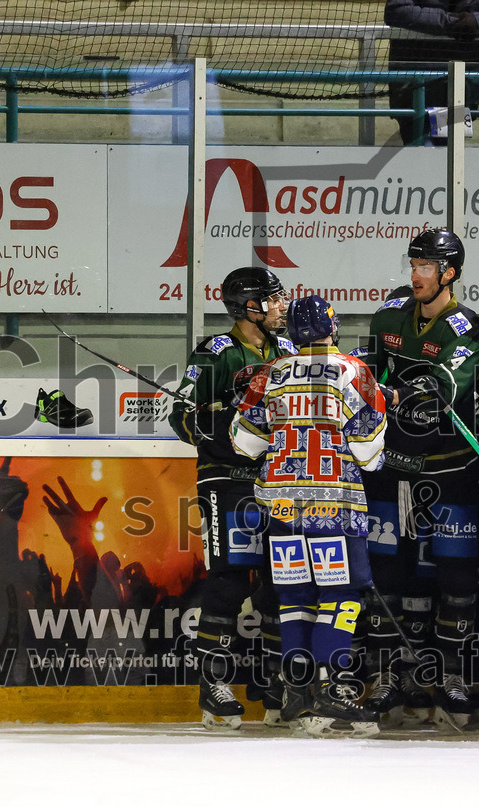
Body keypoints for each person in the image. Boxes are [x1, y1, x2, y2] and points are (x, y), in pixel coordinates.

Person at [231, 295, 387, 738]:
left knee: (295, 597)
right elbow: (369, 450)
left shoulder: (271, 373)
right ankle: (332, 690)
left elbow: (244, 442)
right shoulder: (353, 370)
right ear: (331, 328)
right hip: (333, 505)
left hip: (280, 505)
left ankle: (296, 693)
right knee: (343, 594)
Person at [362, 227, 479, 728]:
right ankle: (391, 675)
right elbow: (368, 375)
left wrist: (398, 392)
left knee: (456, 578)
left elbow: (445, 389)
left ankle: (450, 675)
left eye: (426, 267)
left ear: (450, 273)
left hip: (450, 467)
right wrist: (383, 392)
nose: (415, 274)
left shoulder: (464, 326)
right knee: (389, 574)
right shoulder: (389, 315)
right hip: (393, 466)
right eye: (412, 265)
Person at [168, 266, 294, 730]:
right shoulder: (216, 352)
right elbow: (181, 419)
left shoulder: (288, 350)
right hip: (227, 478)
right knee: (232, 580)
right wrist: (226, 423)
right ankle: (214, 682)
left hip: (279, 481)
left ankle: (273, 680)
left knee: (284, 580)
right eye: (273, 298)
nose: (282, 305)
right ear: (249, 307)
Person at [385, 0, 479, 145]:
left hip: (461, 87)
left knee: (450, 147)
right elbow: (396, 10)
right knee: (421, 146)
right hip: (415, 86)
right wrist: (450, 23)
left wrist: (477, 21)